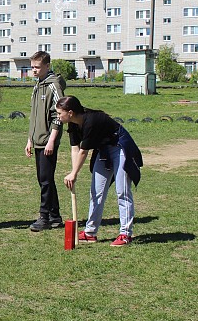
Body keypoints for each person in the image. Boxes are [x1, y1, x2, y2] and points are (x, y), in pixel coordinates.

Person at [56, 95, 143, 247]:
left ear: (70, 112)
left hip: (119, 147)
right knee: (96, 192)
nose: (57, 116)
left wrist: (74, 173)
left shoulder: (91, 121)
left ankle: (125, 234)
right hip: (103, 151)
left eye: (59, 113)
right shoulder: (72, 125)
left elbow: (83, 152)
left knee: (122, 191)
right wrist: (72, 172)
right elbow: (75, 149)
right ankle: (90, 233)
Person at [25, 51, 66, 231]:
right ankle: (55, 216)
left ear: (47, 66)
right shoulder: (38, 85)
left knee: (45, 179)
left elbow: (59, 115)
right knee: (44, 178)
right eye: (32, 67)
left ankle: (44, 217)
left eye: (37, 67)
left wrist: (51, 140)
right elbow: (34, 116)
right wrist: (29, 140)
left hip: (48, 141)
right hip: (38, 140)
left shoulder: (53, 86)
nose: (34, 70)